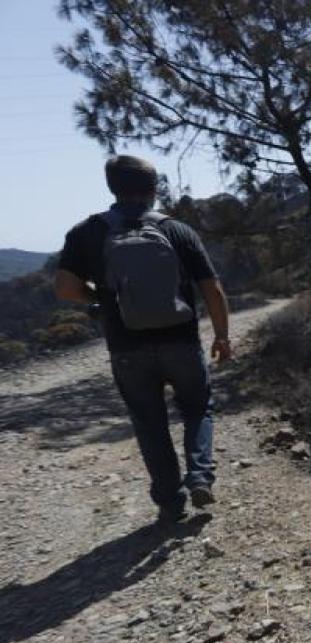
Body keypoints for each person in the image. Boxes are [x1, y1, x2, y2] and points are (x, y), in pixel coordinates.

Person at [54, 155, 231, 522]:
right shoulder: (177, 230)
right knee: (198, 409)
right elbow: (212, 289)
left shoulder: (86, 233)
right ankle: (200, 476)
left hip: (126, 346)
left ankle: (169, 501)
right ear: (154, 189)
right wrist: (222, 337)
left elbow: (67, 289)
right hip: (181, 341)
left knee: (149, 423)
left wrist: (101, 298)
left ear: (112, 188)